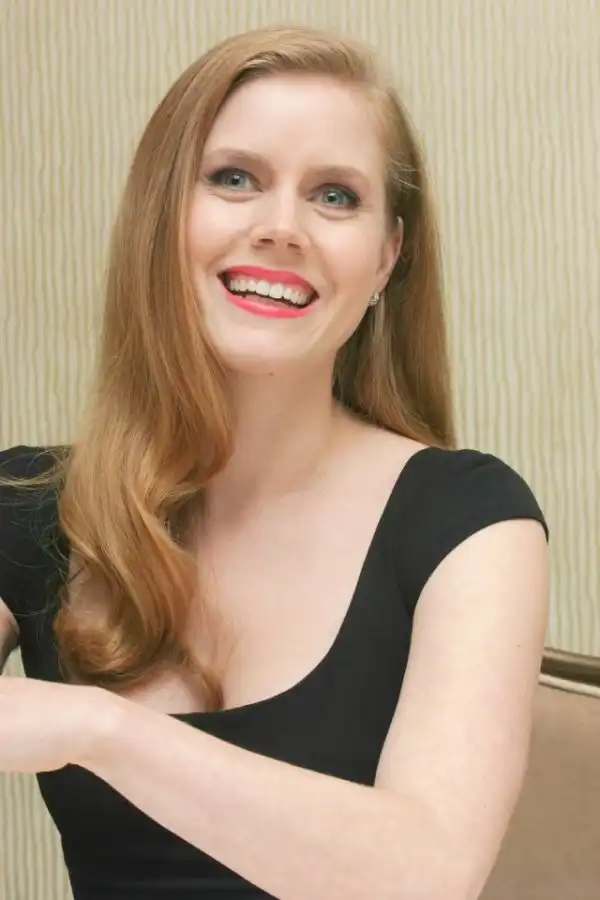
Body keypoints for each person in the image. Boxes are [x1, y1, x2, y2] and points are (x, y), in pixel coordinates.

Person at [0, 24, 549, 900]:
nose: (281, 228)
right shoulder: (30, 504)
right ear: (159, 216)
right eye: (234, 179)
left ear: (387, 256)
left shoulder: (468, 520)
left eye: (335, 195)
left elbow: (426, 876)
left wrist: (98, 729)